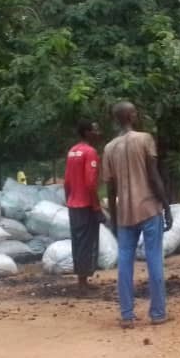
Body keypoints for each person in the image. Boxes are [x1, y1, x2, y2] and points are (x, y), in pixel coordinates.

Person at [102, 102, 174, 329]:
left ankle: (126, 315)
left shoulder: (109, 148)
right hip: (149, 208)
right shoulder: (145, 139)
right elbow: (154, 176)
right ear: (130, 116)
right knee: (154, 259)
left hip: (124, 213)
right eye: (134, 111)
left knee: (124, 262)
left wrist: (113, 218)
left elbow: (110, 189)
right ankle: (158, 313)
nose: (137, 113)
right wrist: (166, 206)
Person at [64, 119, 104, 290]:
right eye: (95, 130)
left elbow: (66, 182)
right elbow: (90, 183)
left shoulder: (72, 151)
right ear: (87, 132)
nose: (98, 133)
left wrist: (69, 199)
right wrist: (97, 208)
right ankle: (82, 284)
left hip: (74, 205)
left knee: (78, 242)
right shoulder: (90, 152)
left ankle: (82, 280)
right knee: (88, 243)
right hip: (86, 205)